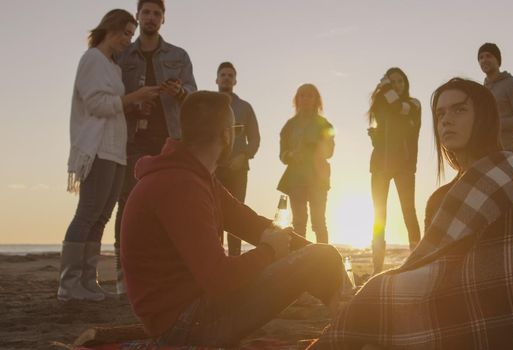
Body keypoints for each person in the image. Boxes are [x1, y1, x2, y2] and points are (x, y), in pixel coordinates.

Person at [308, 78, 513, 349]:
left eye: (459, 110)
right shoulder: (449, 194)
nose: (446, 120)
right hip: (466, 309)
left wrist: (374, 292)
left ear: (485, 118)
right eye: (440, 113)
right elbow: (438, 269)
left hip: (508, 323)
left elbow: (427, 272)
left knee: (375, 296)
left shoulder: (504, 174)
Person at [120, 91, 345, 347]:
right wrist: (270, 251)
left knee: (323, 256)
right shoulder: (182, 186)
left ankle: (346, 314)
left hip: (190, 311)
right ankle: (349, 323)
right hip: (185, 324)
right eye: (236, 130)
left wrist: (326, 266)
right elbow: (219, 279)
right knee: (322, 256)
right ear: (227, 135)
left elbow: (254, 225)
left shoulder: (197, 179)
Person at [57, 9, 160, 302]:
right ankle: (69, 283)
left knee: (102, 216)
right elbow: (97, 105)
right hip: (96, 147)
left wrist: (135, 106)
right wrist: (134, 98)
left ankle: (88, 282)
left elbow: (113, 105)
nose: (129, 40)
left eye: (131, 34)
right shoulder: (92, 59)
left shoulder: (113, 67)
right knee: (88, 212)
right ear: (110, 29)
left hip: (116, 149)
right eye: (126, 33)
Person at [114, 0, 198, 294]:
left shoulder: (178, 55)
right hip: (131, 141)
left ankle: (171, 275)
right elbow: (113, 96)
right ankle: (124, 276)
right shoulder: (122, 54)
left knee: (175, 207)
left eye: (157, 13)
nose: (151, 17)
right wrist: (134, 103)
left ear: (164, 19)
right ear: (137, 17)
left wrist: (180, 92)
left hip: (170, 143)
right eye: (146, 12)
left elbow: (194, 96)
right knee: (127, 206)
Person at [367, 67, 421, 274]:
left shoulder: (412, 105)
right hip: (380, 165)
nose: (397, 85)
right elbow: (385, 136)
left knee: (409, 212)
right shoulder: (381, 105)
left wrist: (385, 84)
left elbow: (399, 108)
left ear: (405, 84)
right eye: (392, 82)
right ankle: (377, 268)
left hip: (404, 166)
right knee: (379, 215)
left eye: (400, 81)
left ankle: (417, 261)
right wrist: (375, 136)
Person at [277, 84, 335, 243]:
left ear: (316, 100)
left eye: (310, 95)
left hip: (318, 178)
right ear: (297, 99)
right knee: (298, 223)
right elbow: (282, 155)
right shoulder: (289, 126)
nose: (306, 99)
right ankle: (300, 259)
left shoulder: (324, 124)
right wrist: (291, 155)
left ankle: (324, 260)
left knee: (319, 222)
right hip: (295, 179)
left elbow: (330, 151)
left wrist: (316, 146)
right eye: (302, 95)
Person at [215, 61, 261, 257]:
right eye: (223, 75)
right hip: (214, 168)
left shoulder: (245, 107)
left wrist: (245, 156)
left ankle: (234, 257)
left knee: (236, 215)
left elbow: (255, 138)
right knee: (213, 213)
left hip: (238, 170)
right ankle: (214, 257)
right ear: (217, 79)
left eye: (230, 75)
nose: (226, 78)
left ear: (235, 81)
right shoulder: (209, 104)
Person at [477, 43, 513, 154]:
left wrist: (494, 124)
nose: (484, 60)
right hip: (480, 152)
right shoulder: (481, 91)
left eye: (489, 56)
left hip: (504, 151)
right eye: (481, 57)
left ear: (498, 60)